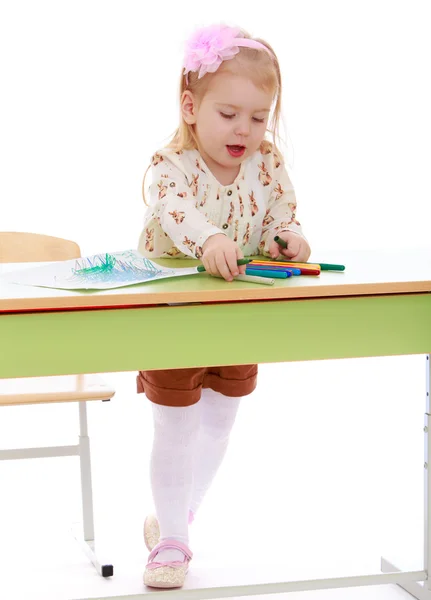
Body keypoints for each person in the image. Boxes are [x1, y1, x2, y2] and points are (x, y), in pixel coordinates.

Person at [136, 22, 311, 588]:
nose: (246, 129)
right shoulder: (170, 165)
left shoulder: (268, 164)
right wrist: (210, 238)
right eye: (229, 114)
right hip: (173, 311)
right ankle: (172, 543)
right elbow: (175, 213)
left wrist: (290, 237)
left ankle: (176, 513)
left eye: (259, 118)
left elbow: (282, 212)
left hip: (237, 309)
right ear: (191, 106)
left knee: (220, 421)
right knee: (177, 424)